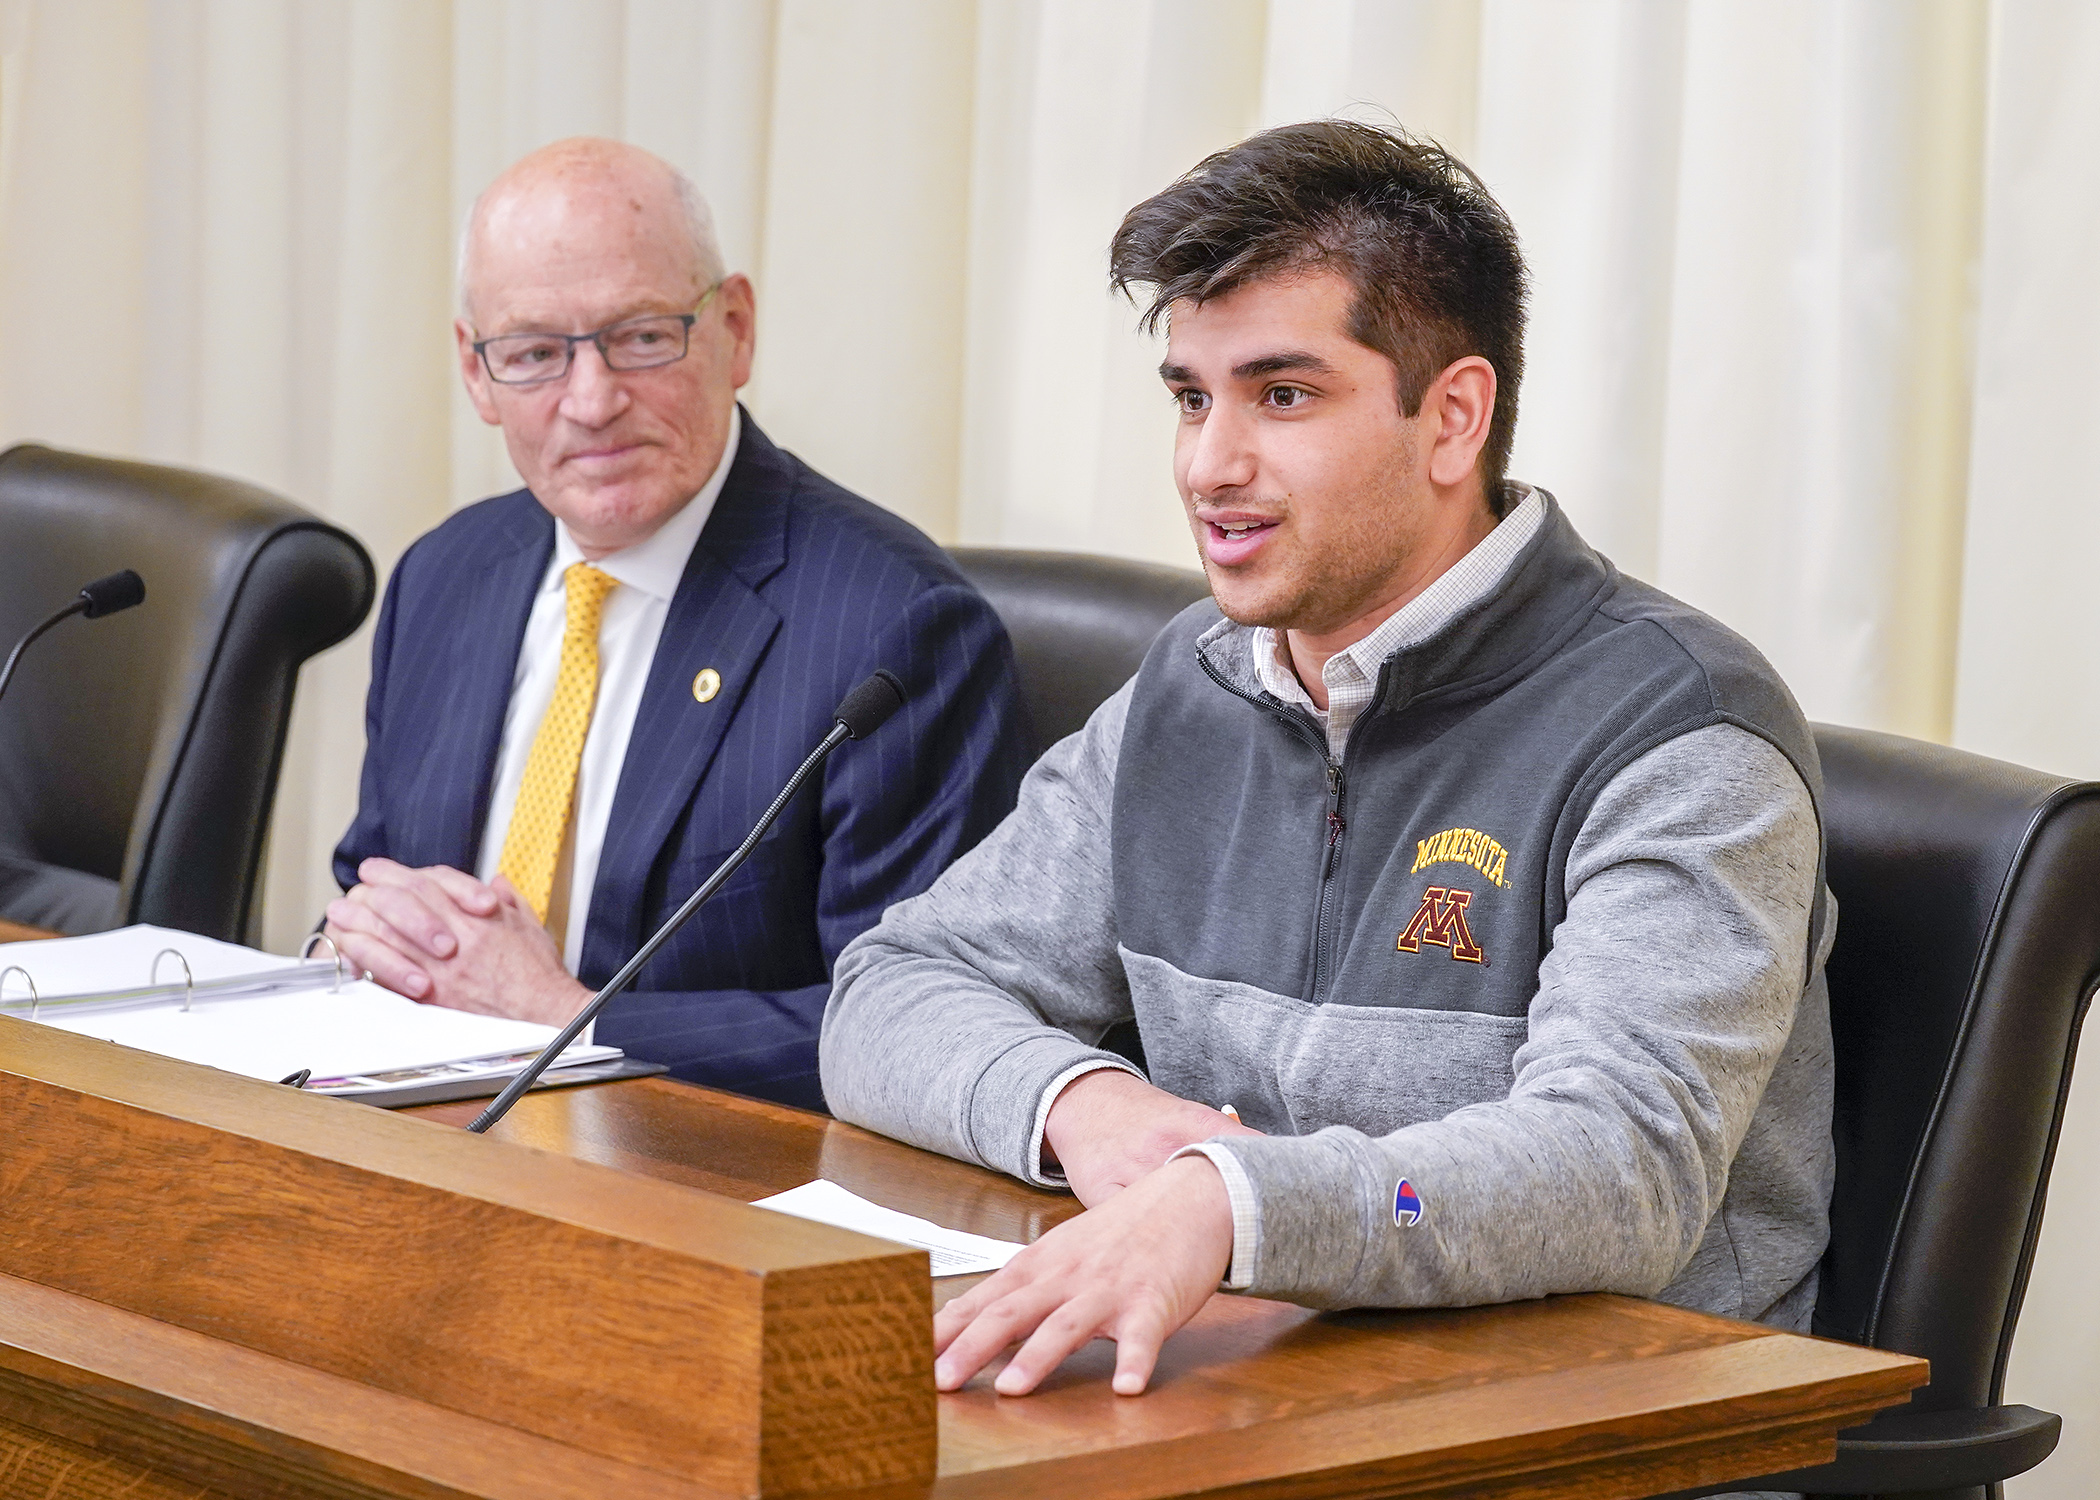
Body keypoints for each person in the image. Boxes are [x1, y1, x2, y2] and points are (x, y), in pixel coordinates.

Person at [820, 121, 1835, 1400]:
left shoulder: (1679, 731)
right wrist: (1082, 1105)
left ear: (1453, 417)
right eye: (1192, 396)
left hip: (1605, 1436)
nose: (1208, 466)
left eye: (1281, 395)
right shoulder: (1188, 688)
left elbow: (1618, 1166)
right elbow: (894, 989)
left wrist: (1227, 1206)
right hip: (1261, 1389)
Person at [327, 138, 1027, 1110]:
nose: (592, 401)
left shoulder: (895, 632)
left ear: (734, 330)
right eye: (534, 354)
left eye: (643, 336)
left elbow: (919, 1029)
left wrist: (569, 1019)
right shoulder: (444, 577)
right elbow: (375, 874)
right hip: (418, 1142)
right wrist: (359, 936)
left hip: (697, 1193)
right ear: (476, 373)